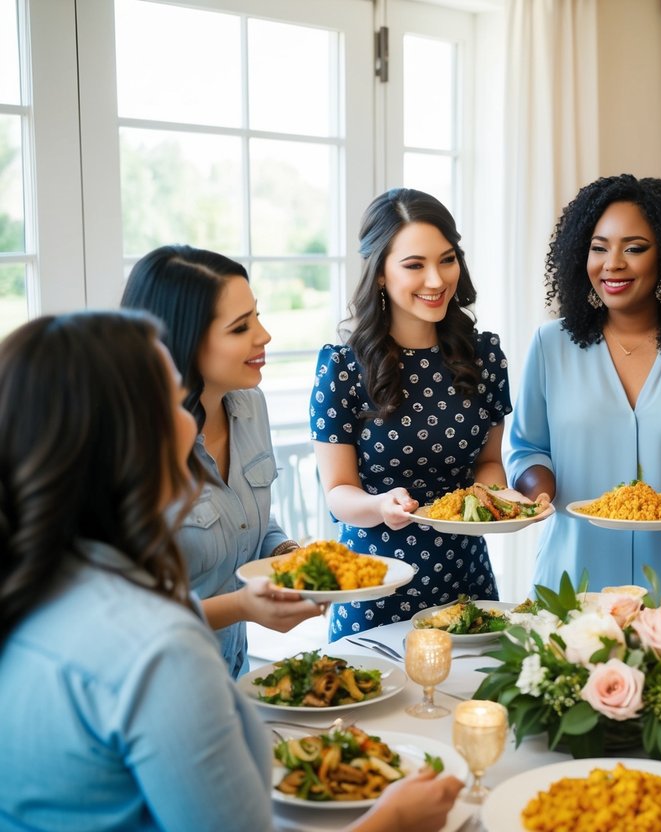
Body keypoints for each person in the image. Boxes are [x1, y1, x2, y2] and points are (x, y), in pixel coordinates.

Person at [0, 311, 463, 831]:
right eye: (172, 397)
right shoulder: (162, 651)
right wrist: (394, 821)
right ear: (126, 441)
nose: (189, 417)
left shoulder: (37, 592)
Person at [508, 174, 661, 602]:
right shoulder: (550, 345)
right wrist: (537, 490)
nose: (612, 264)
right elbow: (527, 448)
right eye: (598, 248)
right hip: (573, 577)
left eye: (634, 248)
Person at [311, 188, 509, 638]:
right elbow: (339, 493)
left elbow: (488, 462)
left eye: (447, 259)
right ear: (380, 273)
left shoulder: (485, 355)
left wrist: (494, 497)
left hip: (467, 583)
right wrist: (380, 505)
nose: (437, 280)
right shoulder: (343, 367)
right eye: (414, 265)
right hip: (375, 584)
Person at [122, 245, 322, 678]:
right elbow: (127, 613)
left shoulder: (251, 406)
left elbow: (251, 520)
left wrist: (291, 557)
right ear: (185, 339)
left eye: (258, 316)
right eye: (240, 327)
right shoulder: (131, 446)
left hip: (233, 675)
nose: (264, 335)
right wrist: (241, 607)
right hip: (161, 685)